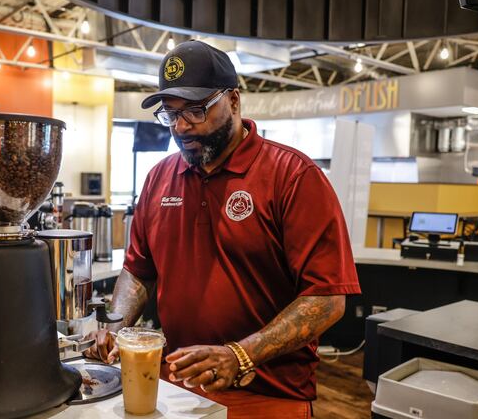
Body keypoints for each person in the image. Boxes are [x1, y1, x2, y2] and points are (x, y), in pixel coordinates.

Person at [84, 40, 361, 418]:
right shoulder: (159, 179)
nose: (181, 127)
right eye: (170, 114)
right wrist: (116, 327)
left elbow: (327, 298)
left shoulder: (294, 176)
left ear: (233, 100)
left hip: (269, 392)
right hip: (175, 386)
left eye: (196, 111)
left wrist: (242, 354)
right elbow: (139, 270)